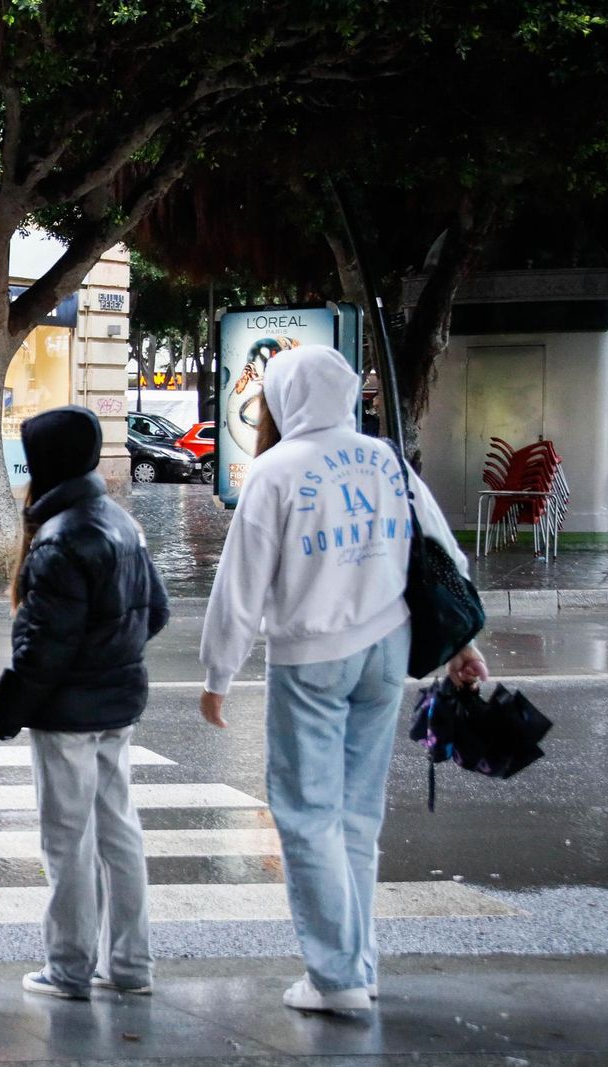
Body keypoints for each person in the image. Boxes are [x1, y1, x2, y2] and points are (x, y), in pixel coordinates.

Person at [198, 345, 487, 1013]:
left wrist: (219, 673)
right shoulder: (386, 459)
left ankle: (336, 977)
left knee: (307, 816)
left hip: (312, 656)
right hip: (388, 646)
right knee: (358, 814)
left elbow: (240, 586)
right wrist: (462, 644)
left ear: (282, 400)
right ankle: (359, 964)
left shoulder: (274, 471)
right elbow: (443, 554)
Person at [0, 405, 169, 1002]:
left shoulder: (59, 538)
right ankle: (131, 964)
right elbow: (156, 611)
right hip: (118, 704)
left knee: (67, 840)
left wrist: (7, 708)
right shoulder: (121, 522)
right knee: (119, 831)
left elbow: (44, 648)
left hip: (67, 714)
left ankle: (68, 968)